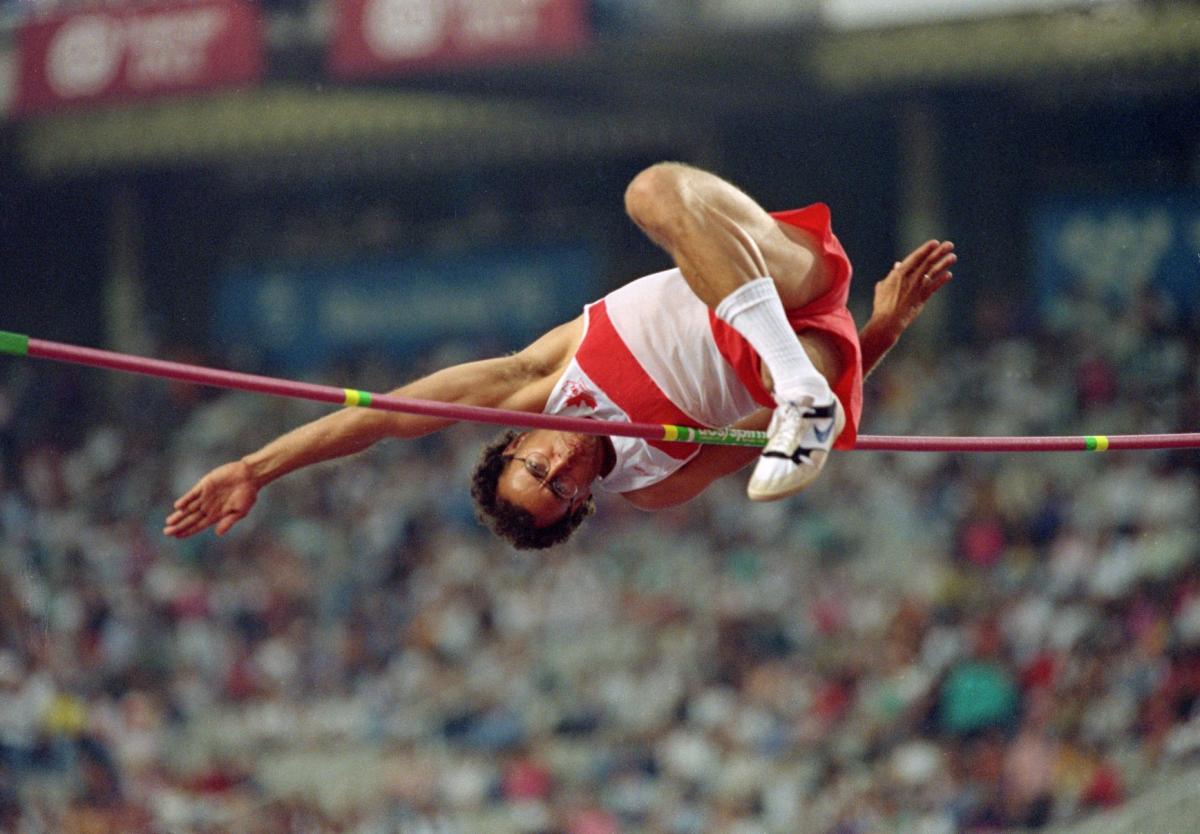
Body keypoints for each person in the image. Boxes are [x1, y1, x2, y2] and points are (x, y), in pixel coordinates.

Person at [164, 163, 955, 549]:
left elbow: (384, 418)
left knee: (651, 191)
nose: (561, 470)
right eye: (561, 491)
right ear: (580, 505)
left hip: (771, 274)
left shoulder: (541, 378)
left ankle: (794, 380)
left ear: (516, 440)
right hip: (800, 352)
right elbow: (778, 430)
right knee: (798, 405)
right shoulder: (651, 486)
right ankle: (795, 378)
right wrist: (881, 330)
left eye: (535, 467)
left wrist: (256, 468)